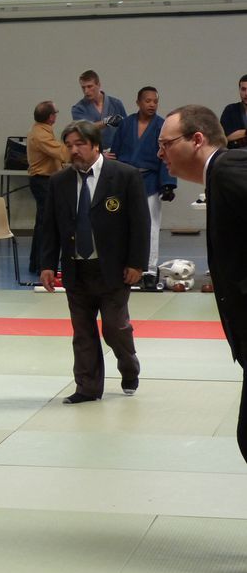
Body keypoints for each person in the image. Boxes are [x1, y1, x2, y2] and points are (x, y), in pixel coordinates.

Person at [157, 105, 247, 466]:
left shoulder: (228, 169)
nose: (160, 153)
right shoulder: (220, 177)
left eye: (166, 144)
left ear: (197, 140)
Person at [39, 120, 150, 404]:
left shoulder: (124, 176)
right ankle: (87, 388)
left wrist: (137, 263)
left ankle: (129, 365)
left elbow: (140, 223)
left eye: (80, 144)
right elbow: (49, 226)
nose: (74, 150)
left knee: (114, 328)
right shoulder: (58, 182)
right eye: (69, 145)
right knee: (83, 332)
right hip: (77, 269)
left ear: (96, 145)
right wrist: (48, 265)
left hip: (114, 268)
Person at [110, 86, 177, 287]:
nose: (152, 104)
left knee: (151, 227)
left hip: (150, 181)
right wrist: (111, 178)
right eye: (147, 101)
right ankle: (125, 266)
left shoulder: (162, 126)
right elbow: (114, 153)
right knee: (122, 225)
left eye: (155, 101)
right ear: (138, 102)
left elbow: (168, 155)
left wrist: (168, 184)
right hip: (125, 180)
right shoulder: (125, 125)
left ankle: (149, 270)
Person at [26, 100, 69, 274]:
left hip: (44, 180)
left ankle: (37, 264)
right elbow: (61, 152)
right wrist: (88, 150)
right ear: (51, 117)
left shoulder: (42, 130)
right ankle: (43, 265)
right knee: (47, 224)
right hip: (42, 180)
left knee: (42, 224)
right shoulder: (41, 134)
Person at [71, 69, 126, 151]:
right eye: (83, 88)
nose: (86, 91)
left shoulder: (116, 103)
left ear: (98, 85)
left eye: (89, 86)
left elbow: (126, 129)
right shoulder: (78, 108)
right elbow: (85, 129)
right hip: (93, 153)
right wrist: (107, 121)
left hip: (117, 151)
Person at [218, 74, 247, 149]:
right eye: (243, 89)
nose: (246, 94)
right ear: (239, 90)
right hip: (235, 156)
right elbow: (223, 137)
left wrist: (239, 134)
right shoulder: (231, 110)